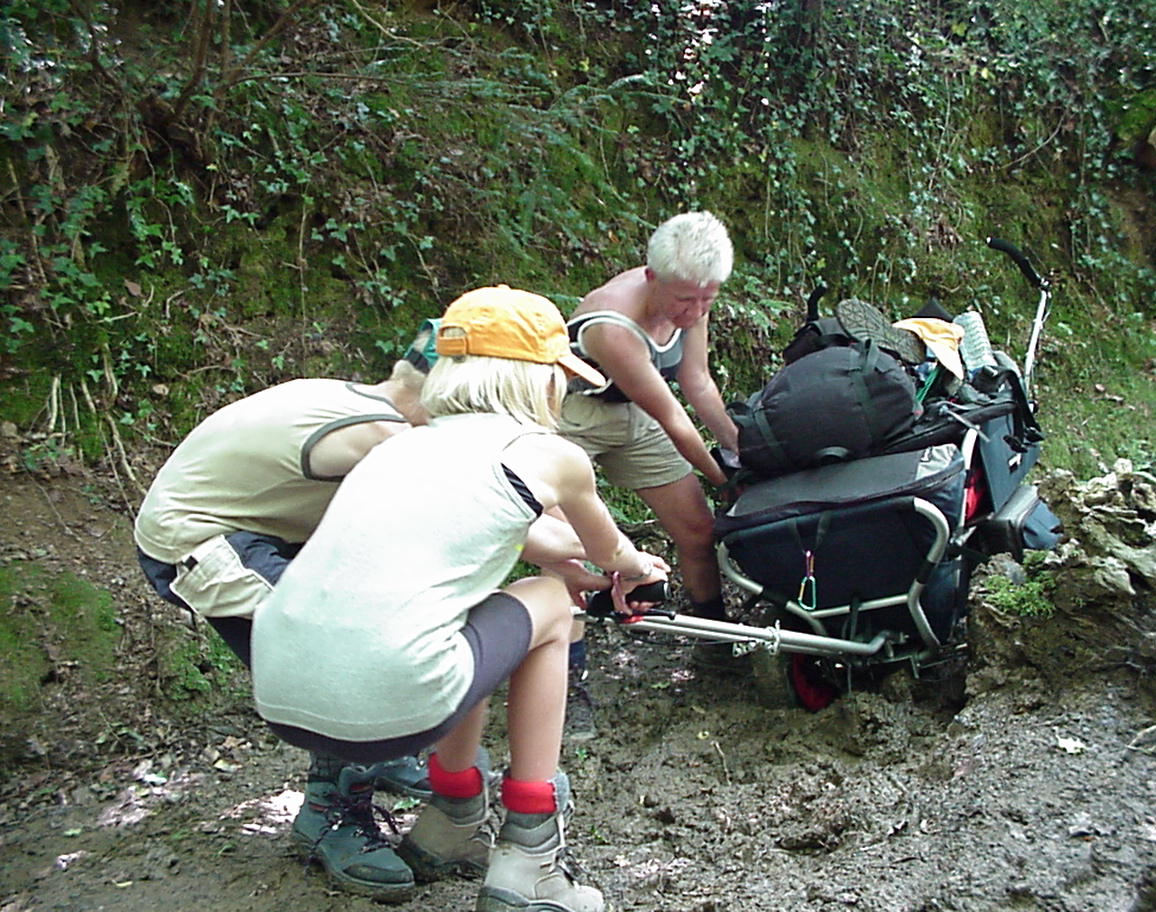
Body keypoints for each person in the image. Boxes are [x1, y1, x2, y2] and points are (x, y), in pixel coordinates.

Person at [133, 338, 604, 902]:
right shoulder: (385, 438)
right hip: (206, 543)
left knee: (387, 608)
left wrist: (574, 550)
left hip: (265, 527)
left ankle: (392, 759)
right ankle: (330, 812)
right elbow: (509, 518)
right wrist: (610, 559)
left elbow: (521, 504)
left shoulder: (367, 403)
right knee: (336, 641)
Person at [251, 285, 669, 912]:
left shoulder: (397, 445)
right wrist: (639, 570)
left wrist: (583, 564)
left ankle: (452, 822)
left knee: (477, 609)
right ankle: (530, 858)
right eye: (560, 377)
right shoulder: (548, 455)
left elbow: (512, 536)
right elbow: (611, 555)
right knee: (552, 603)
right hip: (386, 699)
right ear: (537, 379)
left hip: (282, 691)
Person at [557, 212, 740, 731]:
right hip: (572, 415)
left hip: (632, 412)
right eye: (686, 300)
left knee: (698, 529)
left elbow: (697, 382)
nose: (696, 311)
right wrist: (726, 479)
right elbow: (674, 418)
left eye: (707, 299)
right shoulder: (611, 325)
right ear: (651, 277)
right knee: (568, 547)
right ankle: (568, 680)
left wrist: (741, 449)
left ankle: (715, 644)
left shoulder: (693, 292)